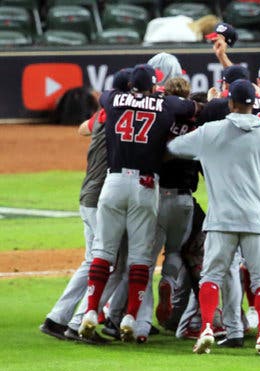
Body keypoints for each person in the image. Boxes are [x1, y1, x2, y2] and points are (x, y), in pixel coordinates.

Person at [78, 64, 198, 342]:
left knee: (103, 252)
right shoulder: (165, 105)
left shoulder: (112, 99)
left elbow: (107, 94)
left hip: (114, 183)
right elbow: (191, 109)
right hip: (146, 185)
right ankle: (131, 316)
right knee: (140, 258)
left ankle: (91, 312)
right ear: (153, 86)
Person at [167, 79, 260, 355]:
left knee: (212, 275)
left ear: (230, 103)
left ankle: (207, 326)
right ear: (252, 104)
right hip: (256, 219)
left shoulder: (210, 132)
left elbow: (175, 148)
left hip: (222, 218)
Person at [39, 68, 133, 345]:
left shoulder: (106, 113)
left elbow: (82, 128)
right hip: (99, 199)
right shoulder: (121, 116)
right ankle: (81, 321)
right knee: (111, 263)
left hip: (90, 195)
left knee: (94, 260)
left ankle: (57, 318)